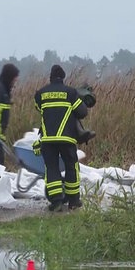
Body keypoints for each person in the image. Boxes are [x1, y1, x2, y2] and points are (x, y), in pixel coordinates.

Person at [34, 65, 88, 211]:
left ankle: (57, 201)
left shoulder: (40, 93)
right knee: (71, 167)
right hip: (66, 139)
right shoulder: (70, 92)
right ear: (63, 77)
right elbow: (82, 112)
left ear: (50, 77)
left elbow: (39, 109)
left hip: (48, 139)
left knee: (51, 168)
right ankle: (73, 201)